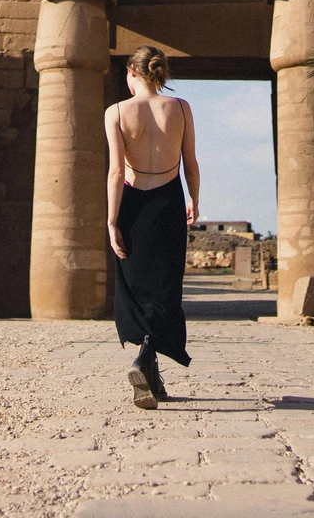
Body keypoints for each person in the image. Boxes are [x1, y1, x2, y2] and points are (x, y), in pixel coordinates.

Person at [106, 44, 199, 410]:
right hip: (168, 202)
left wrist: (112, 220)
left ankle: (144, 359)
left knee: (134, 288)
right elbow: (190, 161)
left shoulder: (116, 111)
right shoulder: (180, 107)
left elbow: (116, 172)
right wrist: (194, 199)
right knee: (165, 288)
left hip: (132, 204)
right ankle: (151, 370)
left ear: (132, 72)